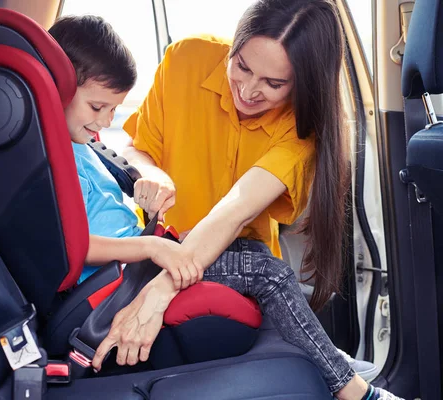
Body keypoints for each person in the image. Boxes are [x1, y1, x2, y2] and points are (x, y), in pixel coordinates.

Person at [89, 1, 403, 399]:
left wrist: (159, 291)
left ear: (303, 84)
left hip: (232, 251)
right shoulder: (186, 57)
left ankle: (343, 376)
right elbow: (139, 148)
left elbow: (235, 212)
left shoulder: (300, 130)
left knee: (263, 268)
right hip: (162, 239)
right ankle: (345, 375)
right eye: (241, 66)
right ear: (234, 46)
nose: (249, 90)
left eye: (274, 84)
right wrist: (151, 172)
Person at [49, 15, 182, 284]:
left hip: (137, 260)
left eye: (114, 110)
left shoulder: (84, 146)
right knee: (260, 270)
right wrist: (152, 248)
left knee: (250, 250)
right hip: (117, 281)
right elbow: (72, 246)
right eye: (97, 107)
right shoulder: (50, 162)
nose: (108, 121)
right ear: (57, 88)